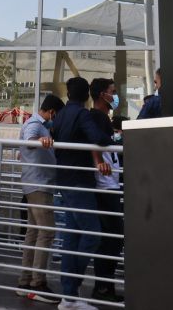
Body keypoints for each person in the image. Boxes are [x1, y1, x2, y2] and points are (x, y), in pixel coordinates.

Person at [52, 77, 113, 310]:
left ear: (68, 94)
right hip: (79, 183)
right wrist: (114, 139)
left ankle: (70, 296)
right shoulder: (82, 114)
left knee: (72, 237)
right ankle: (71, 288)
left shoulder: (61, 116)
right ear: (87, 95)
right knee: (92, 234)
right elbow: (98, 138)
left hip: (64, 181)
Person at [16, 93, 64, 303]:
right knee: (47, 232)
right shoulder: (35, 124)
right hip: (38, 185)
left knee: (33, 233)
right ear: (52, 112)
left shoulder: (36, 123)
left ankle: (25, 281)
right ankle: (38, 283)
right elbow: (29, 140)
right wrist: (41, 140)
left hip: (36, 183)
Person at [88, 79, 124, 305]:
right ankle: (102, 287)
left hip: (109, 184)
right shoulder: (95, 117)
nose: (116, 95)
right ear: (103, 95)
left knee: (113, 238)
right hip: (104, 186)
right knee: (111, 238)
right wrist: (99, 162)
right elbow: (93, 142)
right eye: (113, 92)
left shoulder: (102, 118)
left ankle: (105, 286)